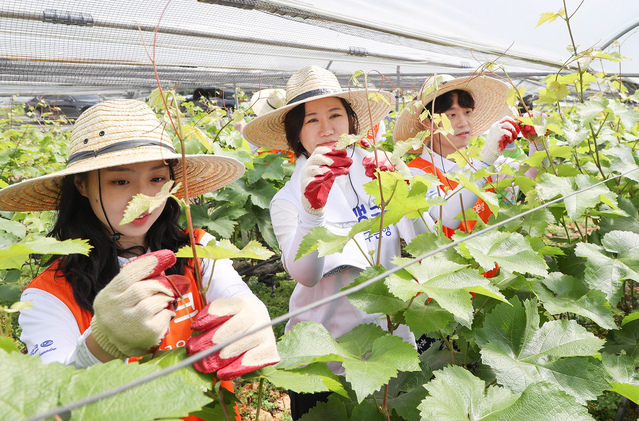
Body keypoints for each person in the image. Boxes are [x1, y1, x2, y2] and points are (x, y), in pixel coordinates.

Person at [0, 100, 280, 419]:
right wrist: (100, 347)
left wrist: (251, 312)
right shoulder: (48, 295)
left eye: (157, 179)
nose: (143, 198)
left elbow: (234, 296)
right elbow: (52, 408)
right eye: (120, 181)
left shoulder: (199, 250)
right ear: (81, 184)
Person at [243, 65, 433, 419]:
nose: (327, 128)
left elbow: (424, 241)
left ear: (351, 121)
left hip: (388, 337)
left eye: (335, 114)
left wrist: (402, 185)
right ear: (296, 133)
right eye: (311, 120)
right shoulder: (288, 198)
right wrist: (311, 210)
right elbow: (306, 275)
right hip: (326, 348)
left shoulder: (381, 169)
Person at [393, 74, 545, 238]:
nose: (463, 122)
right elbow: (448, 219)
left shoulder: (480, 160)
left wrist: (538, 142)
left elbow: (531, 177)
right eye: (451, 115)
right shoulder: (415, 174)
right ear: (428, 123)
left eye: (467, 112)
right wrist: (485, 161)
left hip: (489, 261)